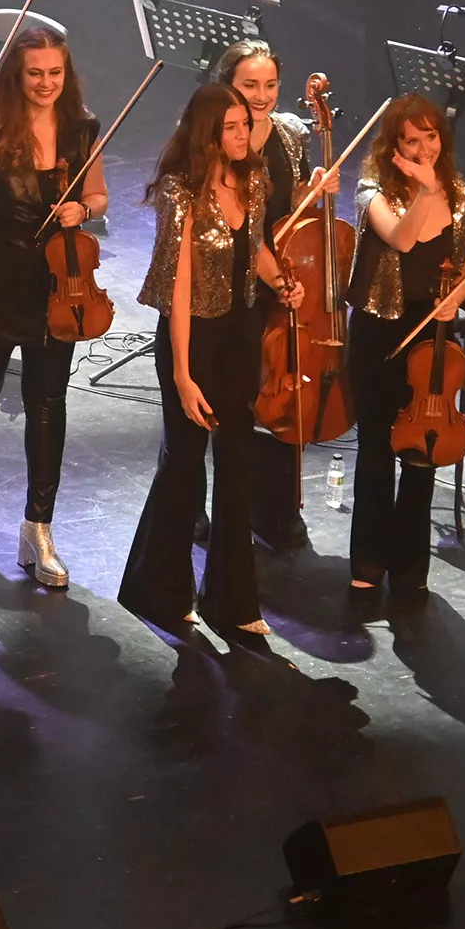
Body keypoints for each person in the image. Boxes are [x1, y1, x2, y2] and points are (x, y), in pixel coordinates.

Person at [118, 84, 303, 637]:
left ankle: (232, 601)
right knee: (184, 464)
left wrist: (282, 282)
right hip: (192, 340)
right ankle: (158, 588)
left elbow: (258, 249)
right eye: (231, 127)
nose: (244, 134)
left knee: (237, 466)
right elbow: (177, 286)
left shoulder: (256, 180)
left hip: (241, 337)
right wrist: (180, 372)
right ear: (208, 134)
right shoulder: (183, 192)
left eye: (245, 124)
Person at [0, 26, 106, 586]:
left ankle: (38, 528)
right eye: (35, 73)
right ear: (17, 74)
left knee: (48, 405)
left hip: (57, 286)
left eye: (55, 73)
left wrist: (81, 208)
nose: (45, 83)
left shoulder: (82, 129)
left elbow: (100, 194)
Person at [345, 94, 465, 597]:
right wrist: (426, 191)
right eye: (410, 139)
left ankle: (410, 566)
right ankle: (368, 558)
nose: (423, 147)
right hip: (381, 331)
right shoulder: (371, 191)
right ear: (393, 145)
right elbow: (401, 241)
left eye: (430, 137)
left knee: (421, 453)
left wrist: (456, 300)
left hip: (433, 334)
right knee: (377, 448)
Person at [216, 39, 339, 551]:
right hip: (226, 274)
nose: (261, 96)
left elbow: (289, 209)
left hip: (279, 272)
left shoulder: (290, 134)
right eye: (250, 85)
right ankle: (209, 508)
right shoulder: (217, 133)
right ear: (228, 85)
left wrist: (314, 189)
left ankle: (274, 508)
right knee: (220, 397)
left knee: (277, 385)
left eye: (270, 85)